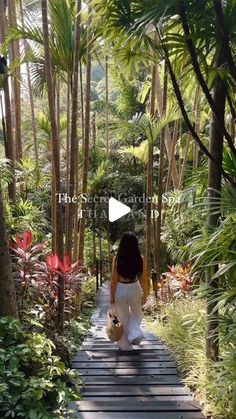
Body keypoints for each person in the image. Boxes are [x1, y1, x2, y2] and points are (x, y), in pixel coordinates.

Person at [110, 232, 147, 350]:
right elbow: (144, 278)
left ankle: (124, 345)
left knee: (122, 316)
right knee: (137, 313)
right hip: (135, 288)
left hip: (120, 289)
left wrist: (112, 296)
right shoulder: (140, 259)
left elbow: (114, 280)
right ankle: (135, 333)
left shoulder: (117, 259)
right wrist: (146, 293)